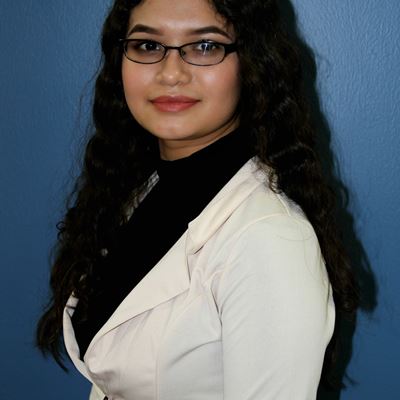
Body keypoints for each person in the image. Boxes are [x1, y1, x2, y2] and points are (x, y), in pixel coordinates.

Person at [37, 0, 359, 399]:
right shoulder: (139, 190)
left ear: (252, 62)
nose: (171, 73)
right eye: (148, 46)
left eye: (205, 46)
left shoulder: (270, 237)